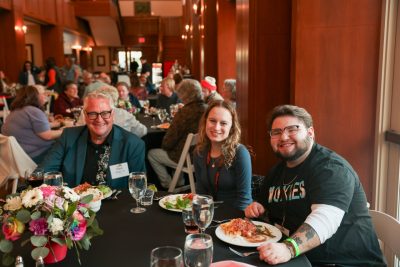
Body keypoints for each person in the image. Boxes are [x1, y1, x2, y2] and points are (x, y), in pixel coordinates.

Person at [244, 105, 386, 266]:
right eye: (276, 132)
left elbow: (325, 220)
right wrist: (258, 207)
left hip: (345, 263)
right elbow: (265, 206)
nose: (283, 137)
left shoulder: (331, 168)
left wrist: (288, 248)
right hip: (300, 259)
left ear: (310, 133)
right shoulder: (276, 172)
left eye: (292, 129)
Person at [39, 91, 146, 189]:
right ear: (85, 115)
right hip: (75, 205)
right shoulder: (68, 137)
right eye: (92, 114)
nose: (99, 119)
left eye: (105, 113)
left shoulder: (133, 144)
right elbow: (45, 171)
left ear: (112, 114)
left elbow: (138, 187)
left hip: (116, 206)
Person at [148, 79, 206, 189]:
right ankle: (179, 181)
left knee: (152, 154)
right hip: (201, 155)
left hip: (186, 158)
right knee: (179, 147)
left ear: (184, 95)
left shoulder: (184, 113)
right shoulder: (207, 109)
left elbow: (167, 142)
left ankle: (168, 185)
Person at [194, 100, 252, 210]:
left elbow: (244, 200)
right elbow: (201, 192)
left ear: (232, 127)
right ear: (205, 121)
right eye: (212, 121)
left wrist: (231, 226)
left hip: (234, 218)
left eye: (223, 123)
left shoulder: (240, 153)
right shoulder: (199, 152)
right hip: (209, 214)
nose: (216, 127)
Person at [1, 85, 63, 163]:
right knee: (67, 145)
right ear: (35, 96)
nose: (46, 95)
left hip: (17, 157)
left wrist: (58, 124)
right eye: (43, 94)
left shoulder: (15, 112)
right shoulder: (33, 111)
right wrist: (65, 131)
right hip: (34, 156)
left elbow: (36, 127)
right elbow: (47, 135)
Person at [76, 85, 147, 138]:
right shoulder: (124, 114)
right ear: (116, 100)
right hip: (120, 152)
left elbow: (78, 132)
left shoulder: (85, 112)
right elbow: (142, 131)